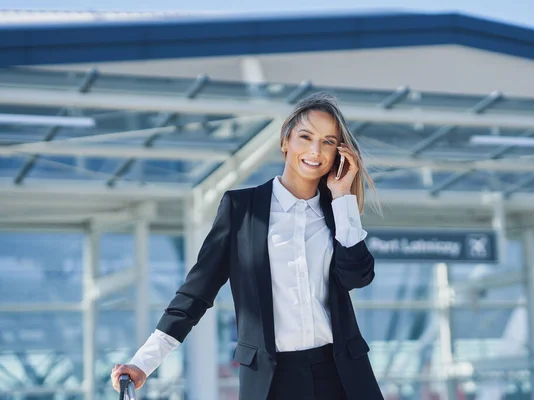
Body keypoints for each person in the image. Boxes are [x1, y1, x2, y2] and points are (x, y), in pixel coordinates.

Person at [111, 92, 384, 400]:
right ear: (285, 141)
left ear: (338, 152)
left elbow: (357, 278)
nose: (315, 150)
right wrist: (143, 363)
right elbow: (196, 293)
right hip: (274, 378)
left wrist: (344, 198)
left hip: (341, 374)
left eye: (328, 142)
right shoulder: (242, 209)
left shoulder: (337, 211)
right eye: (305, 137)